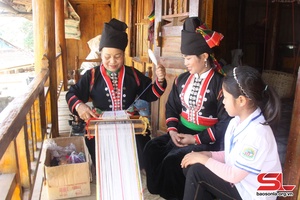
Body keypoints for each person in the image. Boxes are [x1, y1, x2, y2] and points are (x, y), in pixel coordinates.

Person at [143, 17, 231, 200]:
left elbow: (224, 124)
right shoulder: (181, 80)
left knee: (173, 160)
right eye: (184, 58)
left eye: (189, 58)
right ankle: (157, 190)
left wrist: (194, 139)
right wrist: (173, 131)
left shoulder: (220, 84)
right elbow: (172, 107)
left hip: (207, 139)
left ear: (204, 56)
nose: (185, 63)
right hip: (181, 132)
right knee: (151, 148)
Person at [66, 18, 167, 169]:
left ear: (123, 54)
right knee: (104, 164)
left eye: (117, 56)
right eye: (107, 56)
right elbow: (72, 94)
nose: (112, 61)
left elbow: (151, 94)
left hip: (129, 124)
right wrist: (80, 106)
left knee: (141, 159)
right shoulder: (92, 75)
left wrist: (160, 79)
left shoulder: (133, 74)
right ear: (101, 54)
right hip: (101, 125)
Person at [181, 65, 282, 200]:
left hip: (252, 194)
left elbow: (233, 175)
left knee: (196, 172)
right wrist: (207, 154)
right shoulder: (236, 122)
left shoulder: (258, 133)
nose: (223, 102)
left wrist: (203, 159)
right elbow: (232, 155)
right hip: (241, 184)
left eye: (226, 97)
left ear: (241, 100)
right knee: (192, 166)